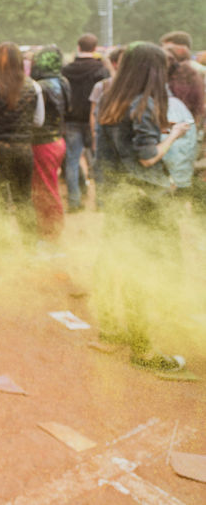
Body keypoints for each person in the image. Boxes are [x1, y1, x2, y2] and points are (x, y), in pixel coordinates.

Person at [93, 42, 191, 371]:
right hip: (145, 201)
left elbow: (118, 150)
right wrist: (174, 134)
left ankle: (115, 331)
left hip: (119, 199)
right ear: (153, 70)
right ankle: (144, 350)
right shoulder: (144, 103)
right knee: (146, 272)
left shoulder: (111, 98)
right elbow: (148, 157)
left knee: (119, 264)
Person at [0, 42, 44, 236]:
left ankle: (2, 246)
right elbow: (39, 121)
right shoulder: (34, 86)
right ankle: (30, 244)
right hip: (23, 148)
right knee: (23, 197)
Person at [61, 33, 110, 212]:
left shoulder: (66, 70)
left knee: (72, 161)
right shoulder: (101, 70)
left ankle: (74, 201)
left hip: (71, 119)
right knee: (98, 161)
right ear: (95, 48)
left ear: (78, 47)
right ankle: (100, 202)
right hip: (94, 120)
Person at [29, 46, 69, 242]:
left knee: (46, 190)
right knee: (48, 187)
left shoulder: (41, 86)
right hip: (57, 140)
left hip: (43, 143)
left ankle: (51, 233)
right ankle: (49, 231)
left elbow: (37, 118)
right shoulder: (63, 81)